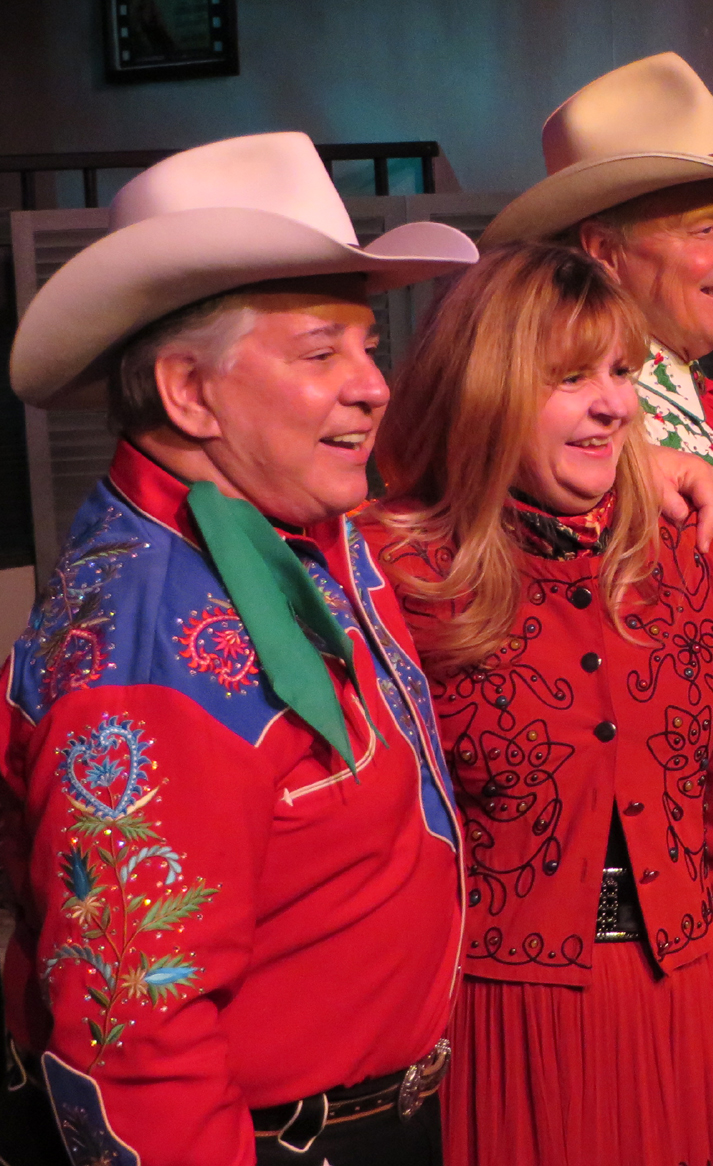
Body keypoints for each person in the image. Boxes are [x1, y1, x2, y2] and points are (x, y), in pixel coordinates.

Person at [0, 132, 478, 1165]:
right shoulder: (149, 650)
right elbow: (134, 1042)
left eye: (368, 347)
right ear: (188, 392)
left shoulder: (292, 529)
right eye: (320, 353)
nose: (374, 385)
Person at [361, 243, 713, 1166]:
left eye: (620, 372)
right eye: (571, 378)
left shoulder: (690, 558)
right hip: (493, 1031)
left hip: (682, 1016)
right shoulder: (394, 570)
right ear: (489, 389)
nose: (614, 405)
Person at [480, 51, 713, 819]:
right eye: (709, 228)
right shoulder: (555, 433)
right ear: (603, 251)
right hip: (682, 841)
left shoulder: (704, 403)